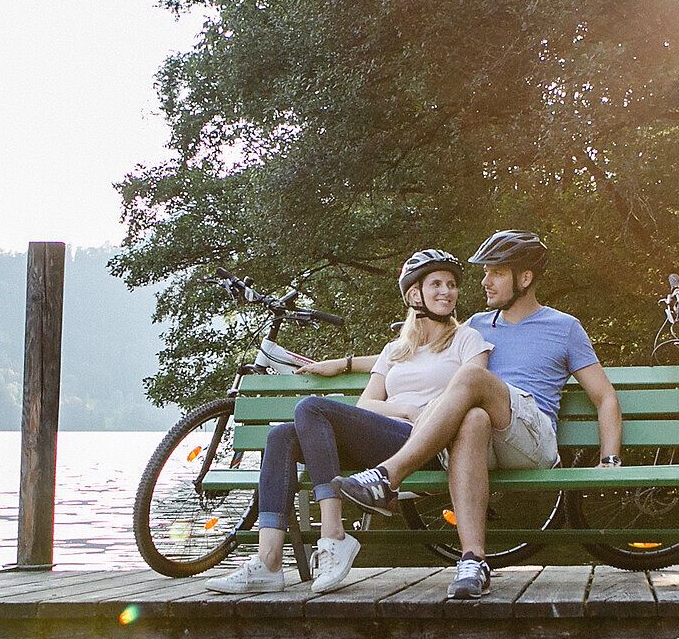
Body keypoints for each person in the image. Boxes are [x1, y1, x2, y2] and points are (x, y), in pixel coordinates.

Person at [335, 231, 623, 600]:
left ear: (525, 278)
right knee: (472, 418)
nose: (484, 282)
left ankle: (386, 478)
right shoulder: (474, 326)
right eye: (485, 273)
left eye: (496, 273)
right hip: (484, 437)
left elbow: (604, 396)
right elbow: (412, 352)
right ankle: (473, 562)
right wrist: (342, 363)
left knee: (471, 377)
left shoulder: (563, 327)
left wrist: (609, 459)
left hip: (531, 440)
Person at [208, 250, 497, 596]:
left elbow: (473, 387)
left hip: (432, 443)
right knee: (282, 436)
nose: (446, 291)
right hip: (392, 436)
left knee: (311, 408)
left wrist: (423, 412)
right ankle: (268, 561)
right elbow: (367, 404)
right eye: (436, 283)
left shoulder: (468, 340)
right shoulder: (396, 351)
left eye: (451, 285)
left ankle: (333, 535)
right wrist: (404, 407)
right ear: (413, 294)